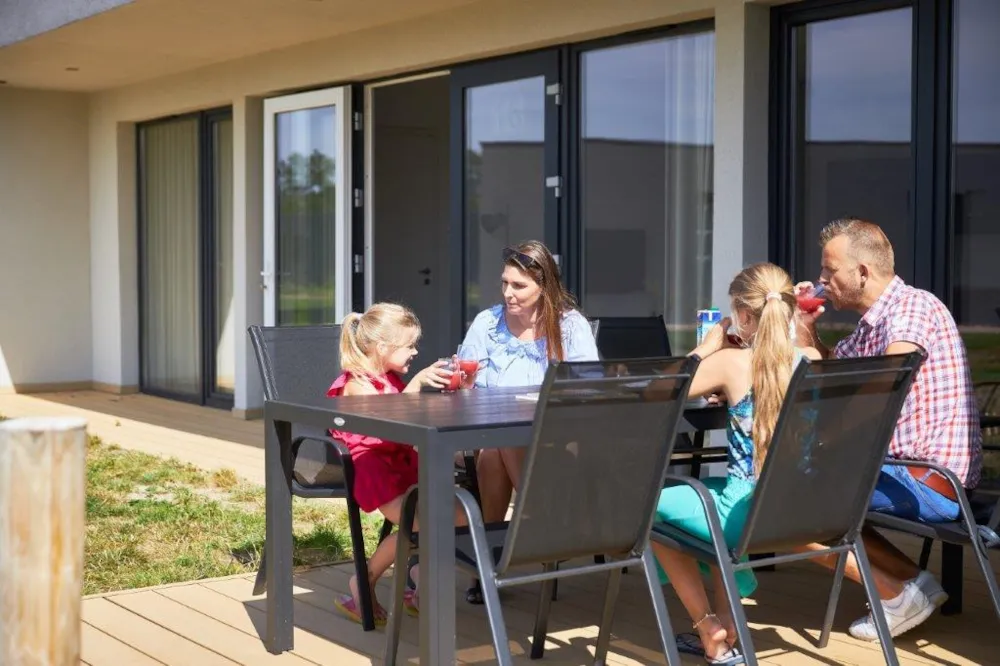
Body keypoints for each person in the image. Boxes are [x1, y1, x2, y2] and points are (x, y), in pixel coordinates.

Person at [794, 218, 983, 641]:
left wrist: (826, 439)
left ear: (862, 272)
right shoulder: (871, 325)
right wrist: (805, 328)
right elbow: (829, 370)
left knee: (788, 499)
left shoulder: (912, 308)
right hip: (899, 473)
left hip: (928, 482)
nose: (821, 280)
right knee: (793, 485)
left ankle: (898, 593)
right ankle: (912, 586)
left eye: (829, 270)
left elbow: (885, 383)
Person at [651, 262, 819, 665]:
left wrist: (706, 349)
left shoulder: (732, 363)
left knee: (647, 509)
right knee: (713, 497)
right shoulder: (811, 358)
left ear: (743, 315)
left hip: (743, 515)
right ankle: (729, 623)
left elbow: (658, 391)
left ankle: (709, 629)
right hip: (801, 509)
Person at [460, 240, 599, 602]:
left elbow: (587, 385)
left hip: (558, 436)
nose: (508, 293)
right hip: (492, 433)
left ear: (544, 286)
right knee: (497, 447)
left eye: (519, 285)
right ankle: (540, 524)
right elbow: (467, 382)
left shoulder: (570, 326)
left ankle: (487, 566)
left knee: (498, 449)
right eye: (505, 283)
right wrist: (461, 381)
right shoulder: (487, 323)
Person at [327, 302, 464, 625]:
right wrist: (416, 385)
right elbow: (386, 425)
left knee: (459, 517)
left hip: (405, 466)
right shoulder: (357, 385)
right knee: (424, 524)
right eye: (409, 345)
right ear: (383, 347)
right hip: (377, 473)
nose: (415, 351)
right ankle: (364, 581)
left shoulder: (388, 379)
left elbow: (409, 421)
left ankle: (418, 580)